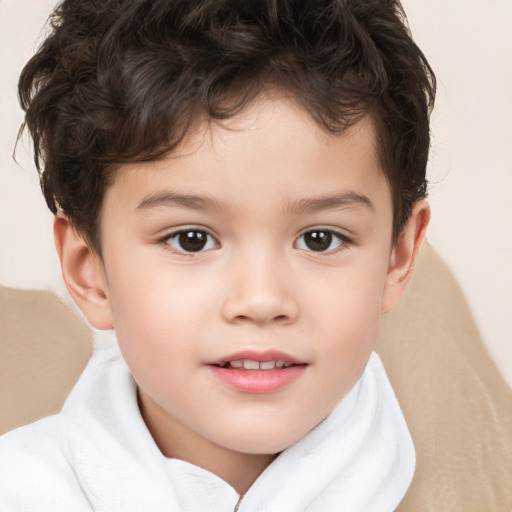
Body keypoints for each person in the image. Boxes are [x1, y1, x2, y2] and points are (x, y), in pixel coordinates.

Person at [0, 0, 435, 510]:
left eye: (320, 238)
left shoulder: (471, 481)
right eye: (191, 239)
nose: (261, 299)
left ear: (397, 256)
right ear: (89, 270)